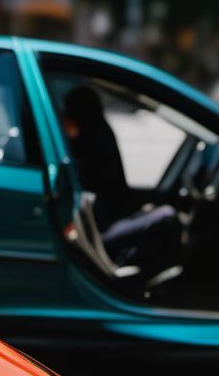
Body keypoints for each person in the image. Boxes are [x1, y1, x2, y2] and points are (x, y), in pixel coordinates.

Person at [62, 85, 180, 273]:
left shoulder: (90, 141)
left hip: (109, 222)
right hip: (103, 233)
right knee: (167, 216)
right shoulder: (90, 144)